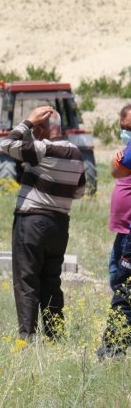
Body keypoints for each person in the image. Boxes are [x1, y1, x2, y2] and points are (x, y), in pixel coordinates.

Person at [0, 105, 86, 340]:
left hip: (32, 222)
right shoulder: (77, 153)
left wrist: (27, 121)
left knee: (27, 280)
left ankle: (26, 337)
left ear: (42, 128)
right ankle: (54, 335)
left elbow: (6, 145)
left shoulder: (43, 149)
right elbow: (79, 192)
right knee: (51, 281)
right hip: (59, 225)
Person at [99, 103, 131, 358]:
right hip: (124, 231)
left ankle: (115, 348)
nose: (126, 132)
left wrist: (120, 156)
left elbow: (115, 169)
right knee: (118, 279)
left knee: (125, 289)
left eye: (129, 128)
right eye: (123, 128)